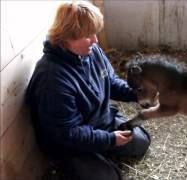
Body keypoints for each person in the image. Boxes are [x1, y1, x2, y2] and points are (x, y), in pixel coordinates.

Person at [26, 2, 150, 180]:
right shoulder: (52, 79)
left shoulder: (91, 51)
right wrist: (110, 139)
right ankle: (90, 159)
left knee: (141, 143)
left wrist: (138, 93)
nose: (96, 40)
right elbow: (67, 133)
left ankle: (103, 150)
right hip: (70, 142)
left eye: (95, 32)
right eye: (88, 35)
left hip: (99, 120)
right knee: (109, 177)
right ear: (66, 37)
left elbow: (111, 81)